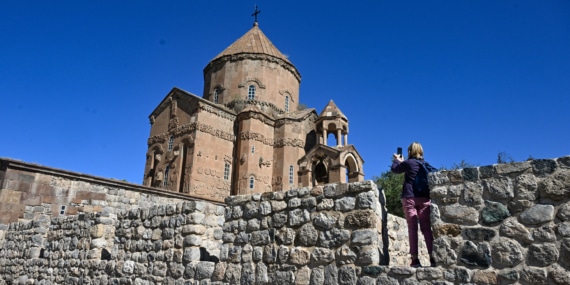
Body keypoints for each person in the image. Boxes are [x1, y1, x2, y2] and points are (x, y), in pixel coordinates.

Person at [391, 142, 435, 268]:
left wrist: (396, 160)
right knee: (426, 228)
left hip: (409, 197)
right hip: (425, 198)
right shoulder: (425, 164)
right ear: (421, 151)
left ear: (409, 151)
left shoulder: (408, 163)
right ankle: (433, 257)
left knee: (412, 228)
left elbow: (395, 170)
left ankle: (415, 260)